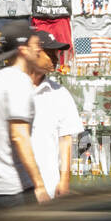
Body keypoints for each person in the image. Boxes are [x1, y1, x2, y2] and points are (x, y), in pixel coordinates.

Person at [0, 20, 46, 214]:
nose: (40, 50)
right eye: (36, 45)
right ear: (23, 49)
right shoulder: (19, 82)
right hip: (13, 190)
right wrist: (39, 185)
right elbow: (19, 136)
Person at [23, 30, 84, 199]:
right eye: (50, 54)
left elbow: (66, 139)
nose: (56, 59)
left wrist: (64, 179)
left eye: (57, 54)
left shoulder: (60, 93)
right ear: (35, 52)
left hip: (49, 185)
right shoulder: (14, 88)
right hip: (16, 187)